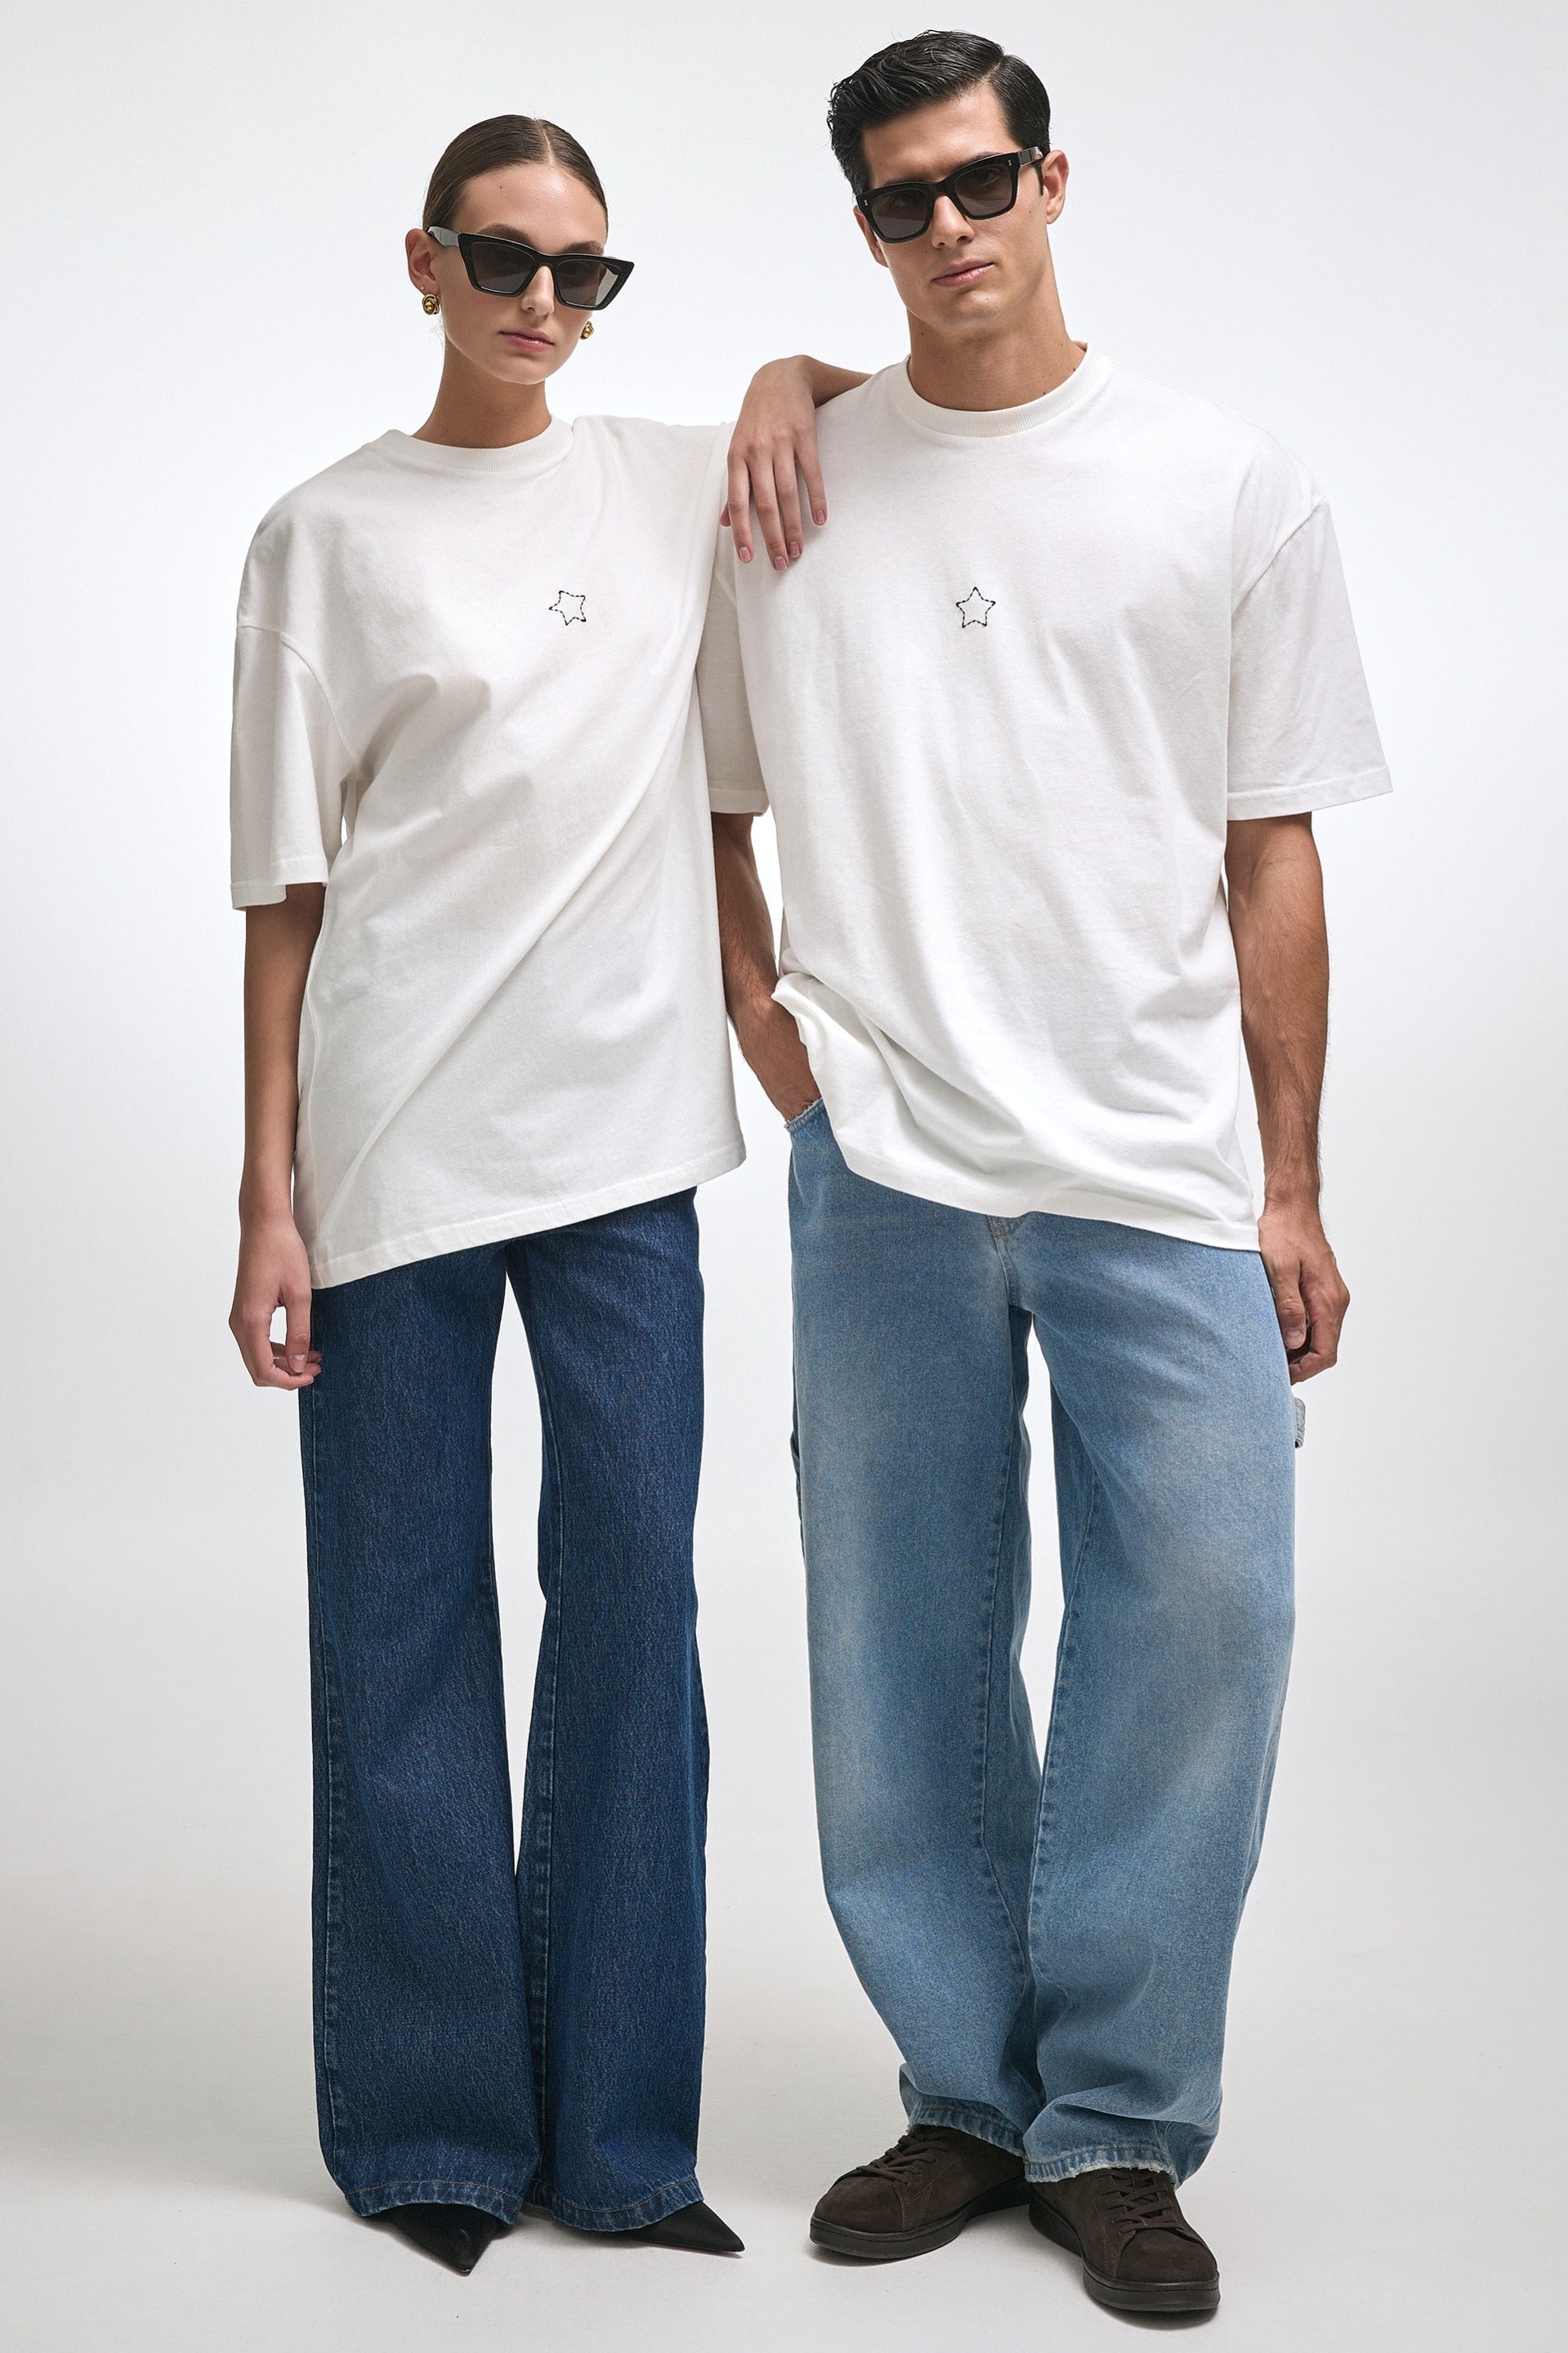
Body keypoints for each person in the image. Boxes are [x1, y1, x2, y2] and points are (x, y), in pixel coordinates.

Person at [708, 29, 1389, 2319]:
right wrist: (769, 1027)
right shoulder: (786, 485)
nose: (949, 229)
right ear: (864, 229)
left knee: (1205, 1618)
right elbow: (711, 795)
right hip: (885, 1160)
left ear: (1053, 179)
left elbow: (1273, 850)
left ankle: (1113, 2117)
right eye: (900, 202)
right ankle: (964, 2094)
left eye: (979, 181)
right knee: (898, 1644)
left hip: (1157, 1162)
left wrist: (1291, 1185)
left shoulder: (1221, 481)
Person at [227, 111, 855, 2275]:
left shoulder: (666, 480)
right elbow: (287, 895)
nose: (543, 302)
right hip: (391, 1138)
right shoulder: (323, 535)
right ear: (423, 261)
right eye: (502, 258)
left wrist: (771, 374)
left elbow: (871, 406)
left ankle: (620, 2140)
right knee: (401, 1621)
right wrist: (266, 1196)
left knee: (635, 1620)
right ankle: (429, 2133)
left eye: (584, 270)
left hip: (623, 1148)